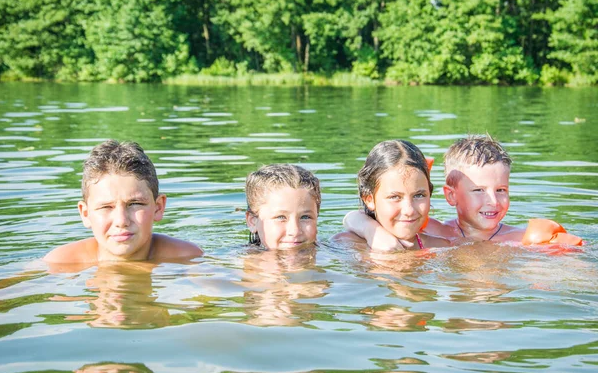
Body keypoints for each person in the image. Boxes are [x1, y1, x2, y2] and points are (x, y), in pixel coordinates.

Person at [344, 135, 582, 248]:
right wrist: (373, 231)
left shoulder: (524, 240)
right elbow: (361, 214)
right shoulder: (429, 228)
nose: (493, 201)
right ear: (451, 195)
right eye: (478, 190)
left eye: (501, 189)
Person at [43, 140, 203, 265]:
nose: (121, 221)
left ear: (158, 207)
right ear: (85, 214)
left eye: (135, 204)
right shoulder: (60, 262)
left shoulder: (187, 258)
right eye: (106, 207)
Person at [332, 139, 451, 251]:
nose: (409, 211)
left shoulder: (441, 247)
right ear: (369, 199)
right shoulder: (347, 246)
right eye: (394, 197)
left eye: (419, 195)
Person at [245, 164, 320, 250]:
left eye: (305, 217)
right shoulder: (242, 262)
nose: (295, 231)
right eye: (280, 217)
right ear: (253, 222)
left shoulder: (331, 254)